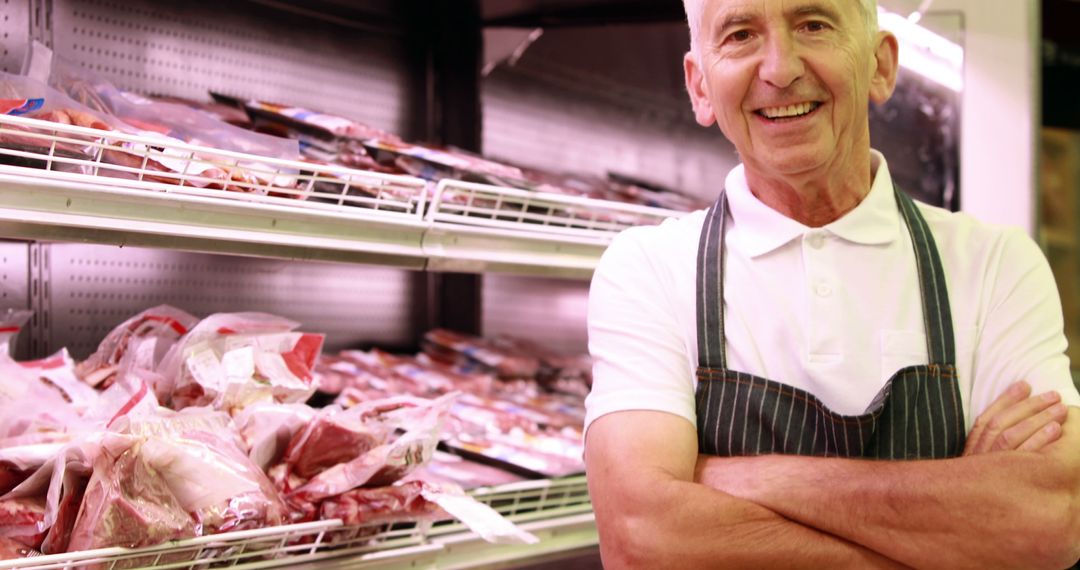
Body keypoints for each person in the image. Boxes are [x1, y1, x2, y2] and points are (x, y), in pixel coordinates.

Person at [583, 0, 1080, 567]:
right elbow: (640, 538)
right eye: (741, 34)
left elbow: (1049, 520)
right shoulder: (649, 268)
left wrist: (740, 479)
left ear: (880, 64)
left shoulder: (994, 265)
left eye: (813, 25)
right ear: (699, 87)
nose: (779, 69)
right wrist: (954, 529)